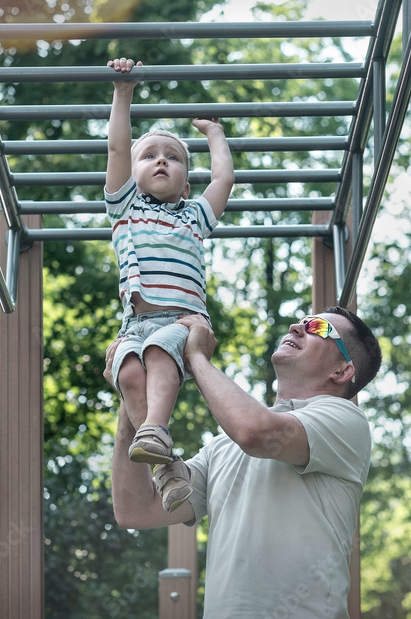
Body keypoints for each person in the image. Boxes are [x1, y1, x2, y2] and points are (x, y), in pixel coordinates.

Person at [107, 306, 382, 618]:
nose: (295, 327)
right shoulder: (222, 448)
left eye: (317, 327)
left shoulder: (345, 420)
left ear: (343, 371)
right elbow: (137, 511)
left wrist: (195, 357)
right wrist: (130, 398)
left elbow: (255, 433)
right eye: (301, 320)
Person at [104, 56, 235, 513]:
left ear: (184, 185)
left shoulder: (194, 216)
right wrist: (124, 94)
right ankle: (166, 471)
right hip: (133, 323)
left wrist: (214, 135)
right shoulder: (124, 207)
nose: (162, 159)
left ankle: (157, 431)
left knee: (160, 354)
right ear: (134, 174)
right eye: (151, 155)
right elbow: (118, 150)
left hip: (181, 319)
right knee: (127, 374)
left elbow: (223, 179)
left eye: (174, 157)